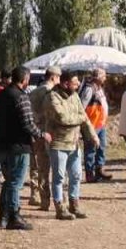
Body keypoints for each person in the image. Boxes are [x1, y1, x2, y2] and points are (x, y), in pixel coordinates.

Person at [0, 66, 51, 230]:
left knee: (8, 181)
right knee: (15, 183)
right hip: (18, 146)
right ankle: (14, 216)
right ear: (25, 79)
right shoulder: (21, 97)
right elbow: (27, 123)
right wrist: (41, 134)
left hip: (1, 145)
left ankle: (3, 218)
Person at [45, 72, 100, 221]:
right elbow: (63, 117)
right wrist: (80, 117)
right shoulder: (53, 96)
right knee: (59, 178)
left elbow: (84, 117)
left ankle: (74, 205)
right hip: (58, 144)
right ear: (65, 83)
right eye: (75, 83)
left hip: (74, 144)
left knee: (76, 176)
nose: (77, 86)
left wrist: (93, 136)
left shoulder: (75, 95)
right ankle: (60, 207)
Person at [28, 67, 62, 211]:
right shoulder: (52, 93)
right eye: (59, 78)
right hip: (48, 133)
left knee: (37, 166)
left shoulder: (33, 92)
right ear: (54, 77)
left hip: (35, 132)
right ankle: (57, 199)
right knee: (53, 167)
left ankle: (39, 197)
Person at [80, 68, 113, 183]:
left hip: (100, 124)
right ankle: (90, 174)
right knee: (90, 149)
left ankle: (99, 171)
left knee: (101, 148)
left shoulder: (99, 88)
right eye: (104, 76)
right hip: (91, 125)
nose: (105, 78)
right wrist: (85, 124)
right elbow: (82, 107)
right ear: (98, 77)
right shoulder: (89, 89)